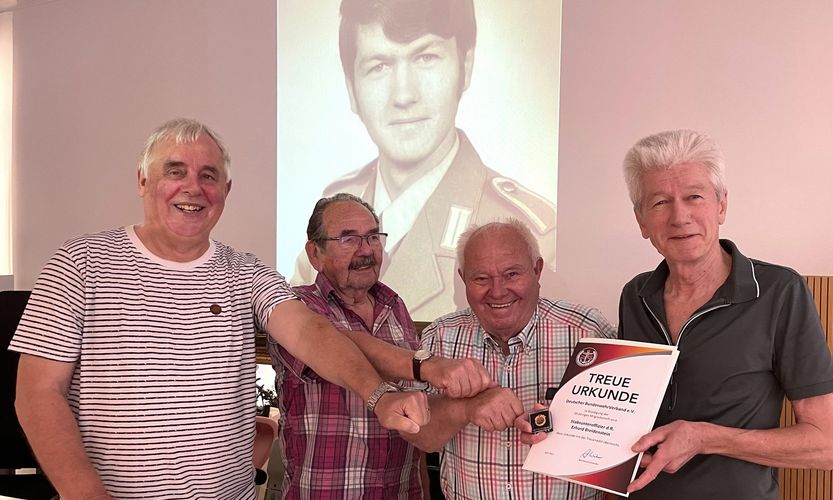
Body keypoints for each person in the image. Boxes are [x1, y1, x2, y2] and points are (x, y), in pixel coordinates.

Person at [9, 119, 432, 500]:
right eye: (175, 171)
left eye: (208, 176)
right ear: (142, 180)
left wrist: (377, 396)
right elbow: (38, 392)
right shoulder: (80, 263)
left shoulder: (246, 271)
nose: (193, 187)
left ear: (225, 191)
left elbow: (312, 334)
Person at [291, 0, 557, 320]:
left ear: (465, 67)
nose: (404, 95)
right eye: (379, 66)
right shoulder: (331, 221)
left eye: (426, 57)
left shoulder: (536, 231)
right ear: (351, 88)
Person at [616, 129, 833, 498]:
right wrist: (566, 423)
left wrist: (704, 438)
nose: (679, 216)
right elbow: (624, 413)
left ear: (721, 205)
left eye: (694, 197)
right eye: (659, 203)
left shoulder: (780, 291)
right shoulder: (635, 295)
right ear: (641, 220)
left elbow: (825, 447)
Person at [269, 193, 491, 499]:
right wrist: (426, 366)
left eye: (373, 237)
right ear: (315, 254)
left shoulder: (395, 306)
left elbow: (416, 424)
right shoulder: (296, 306)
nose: (366, 250)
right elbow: (345, 346)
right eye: (348, 239)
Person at [400, 219, 615, 499]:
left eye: (512, 274)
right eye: (481, 278)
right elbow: (420, 436)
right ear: (464, 278)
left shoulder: (588, 331)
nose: (498, 291)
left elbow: (620, 448)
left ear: (537, 270)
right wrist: (466, 408)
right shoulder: (440, 336)